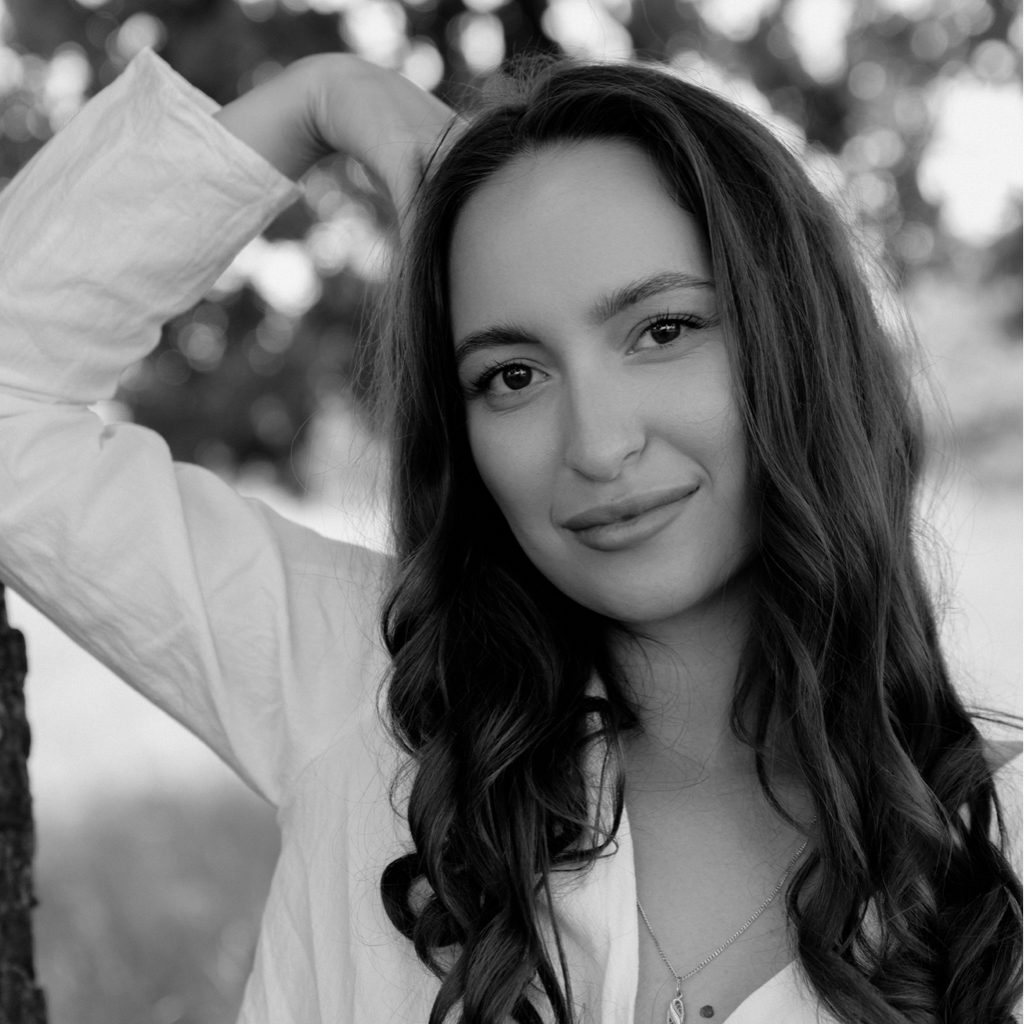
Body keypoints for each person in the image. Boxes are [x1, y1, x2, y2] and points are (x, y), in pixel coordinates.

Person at [0, 44, 1019, 1024]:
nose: (599, 445)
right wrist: (323, 100)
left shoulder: (995, 844)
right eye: (512, 375)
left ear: (795, 342)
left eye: (663, 329)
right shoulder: (370, 697)